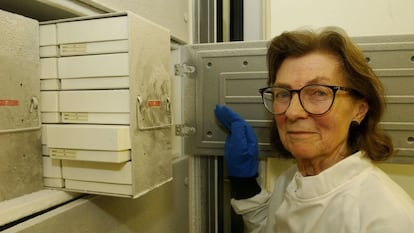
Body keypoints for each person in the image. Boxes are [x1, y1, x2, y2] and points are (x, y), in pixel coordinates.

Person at [214, 26, 414, 233]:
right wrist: (244, 184)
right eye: (283, 94)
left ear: (359, 110)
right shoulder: (292, 180)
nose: (292, 112)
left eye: (319, 93)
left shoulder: (387, 218)